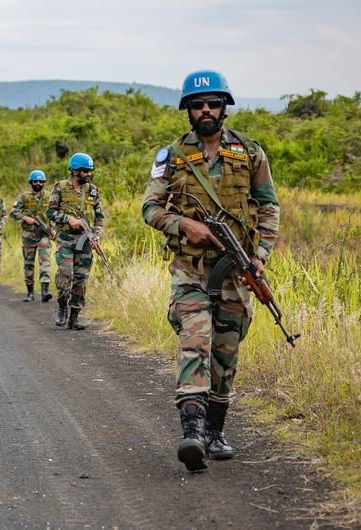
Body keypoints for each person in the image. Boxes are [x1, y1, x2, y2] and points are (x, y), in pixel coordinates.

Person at [142, 70, 281, 472]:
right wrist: (184, 225)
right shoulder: (171, 155)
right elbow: (150, 208)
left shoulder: (250, 153)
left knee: (226, 348)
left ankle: (216, 430)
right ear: (188, 109)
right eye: (198, 104)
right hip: (190, 269)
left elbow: (269, 207)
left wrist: (261, 256)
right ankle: (192, 432)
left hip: (237, 270)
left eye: (213, 104)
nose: (206, 110)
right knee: (194, 339)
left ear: (224, 107)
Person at [47, 153, 105, 329]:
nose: (89, 174)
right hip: (65, 241)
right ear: (75, 171)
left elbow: (100, 217)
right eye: (85, 171)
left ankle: (74, 317)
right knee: (66, 275)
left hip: (85, 242)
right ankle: (62, 305)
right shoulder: (60, 188)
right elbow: (50, 213)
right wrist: (68, 219)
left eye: (90, 171)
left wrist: (96, 235)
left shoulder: (93, 191)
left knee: (81, 280)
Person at [11, 170, 54, 303]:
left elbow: (55, 213)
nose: (38, 184)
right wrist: (25, 218)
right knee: (28, 263)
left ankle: (45, 291)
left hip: (44, 235)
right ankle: (30, 292)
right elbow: (13, 212)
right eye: (35, 181)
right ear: (31, 182)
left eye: (40, 181)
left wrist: (53, 230)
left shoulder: (49, 196)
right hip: (29, 234)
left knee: (45, 261)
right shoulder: (24, 196)